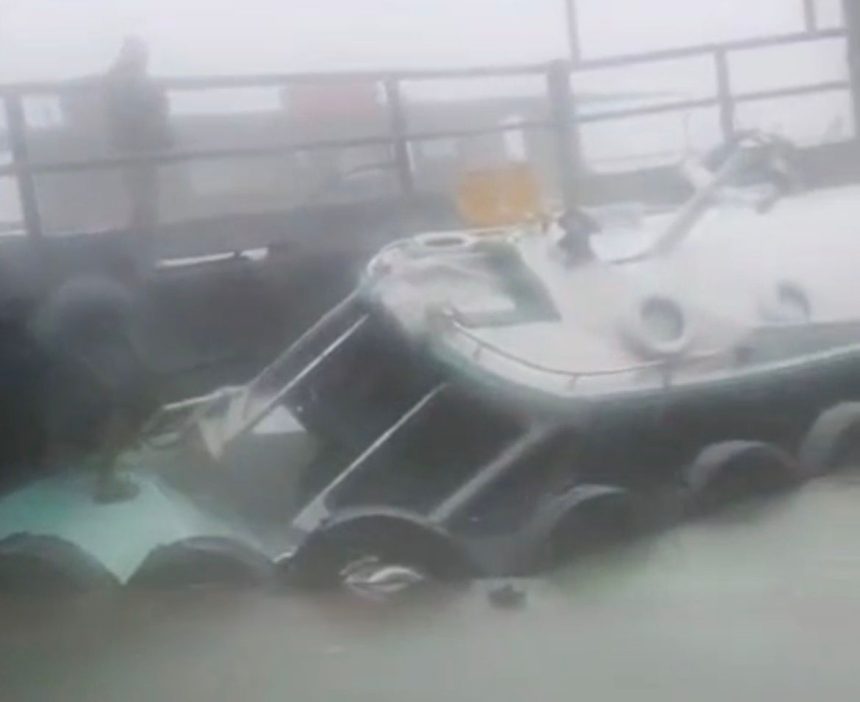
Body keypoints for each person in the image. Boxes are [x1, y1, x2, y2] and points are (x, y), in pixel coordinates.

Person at [30, 255, 159, 503]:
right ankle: (105, 484)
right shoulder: (119, 295)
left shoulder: (87, 285)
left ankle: (55, 466)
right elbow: (132, 346)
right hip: (66, 348)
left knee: (71, 404)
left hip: (43, 350)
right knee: (127, 405)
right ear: (129, 274)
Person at [104, 37, 172, 275]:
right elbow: (145, 110)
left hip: (136, 149)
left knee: (143, 203)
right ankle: (142, 257)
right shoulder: (126, 80)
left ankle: (141, 254)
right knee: (143, 203)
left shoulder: (119, 79)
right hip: (136, 149)